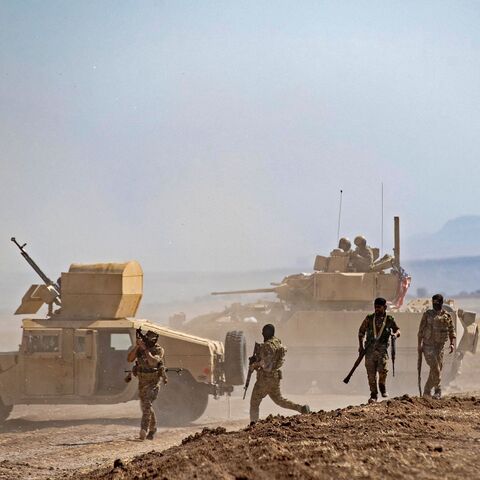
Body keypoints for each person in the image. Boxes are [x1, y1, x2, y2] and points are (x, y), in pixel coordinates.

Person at [250, 324, 310, 422]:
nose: (262, 334)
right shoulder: (277, 342)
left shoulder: (267, 345)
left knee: (254, 403)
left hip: (265, 379)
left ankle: (253, 424)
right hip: (275, 377)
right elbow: (271, 358)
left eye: (263, 332)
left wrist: (254, 365)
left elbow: (266, 365)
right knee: (280, 401)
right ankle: (301, 408)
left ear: (266, 333)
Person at [127, 330, 168, 440]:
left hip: (153, 382)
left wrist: (145, 349)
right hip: (142, 382)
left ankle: (143, 429)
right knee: (146, 406)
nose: (151, 340)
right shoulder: (140, 348)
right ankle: (153, 428)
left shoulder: (158, 350)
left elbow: (153, 362)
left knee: (146, 404)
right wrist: (137, 347)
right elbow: (129, 359)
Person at [358, 297, 400, 403]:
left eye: (379, 307)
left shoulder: (389, 319)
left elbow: (397, 330)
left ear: (385, 307)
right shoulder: (369, 318)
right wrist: (361, 346)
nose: (377, 309)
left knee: (383, 371)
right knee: (371, 374)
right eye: (375, 307)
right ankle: (373, 395)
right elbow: (361, 332)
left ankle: (382, 386)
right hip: (370, 350)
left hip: (382, 350)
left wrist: (395, 334)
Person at [417, 294, 455, 399]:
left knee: (437, 369)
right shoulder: (427, 314)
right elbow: (420, 331)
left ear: (442, 303)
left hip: (440, 347)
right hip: (428, 346)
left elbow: (451, 330)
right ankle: (438, 390)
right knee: (435, 368)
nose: (435, 305)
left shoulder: (447, 316)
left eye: (437, 303)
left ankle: (427, 390)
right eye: (433, 302)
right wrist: (419, 345)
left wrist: (452, 343)